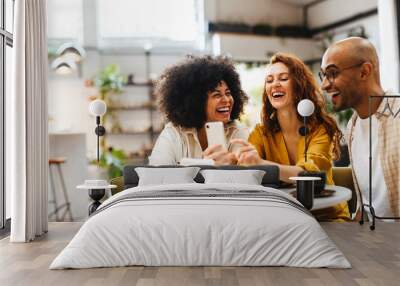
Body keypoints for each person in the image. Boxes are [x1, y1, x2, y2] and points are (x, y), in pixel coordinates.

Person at [233, 52, 350, 221]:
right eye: (270, 80)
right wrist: (238, 158)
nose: (275, 84)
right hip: (284, 217)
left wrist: (260, 164)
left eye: (283, 78)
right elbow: (245, 169)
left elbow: (310, 175)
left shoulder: (320, 130)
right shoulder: (261, 132)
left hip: (327, 217)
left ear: (298, 86)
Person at [320, 37, 400, 219]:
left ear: (364, 72)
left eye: (332, 73)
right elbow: (366, 206)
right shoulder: (353, 126)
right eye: (323, 75)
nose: (324, 85)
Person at [148, 55, 249, 166]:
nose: (226, 100)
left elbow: (248, 175)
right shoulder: (174, 133)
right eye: (217, 95)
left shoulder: (237, 131)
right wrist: (207, 164)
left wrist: (233, 165)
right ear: (197, 101)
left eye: (228, 93)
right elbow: (157, 173)